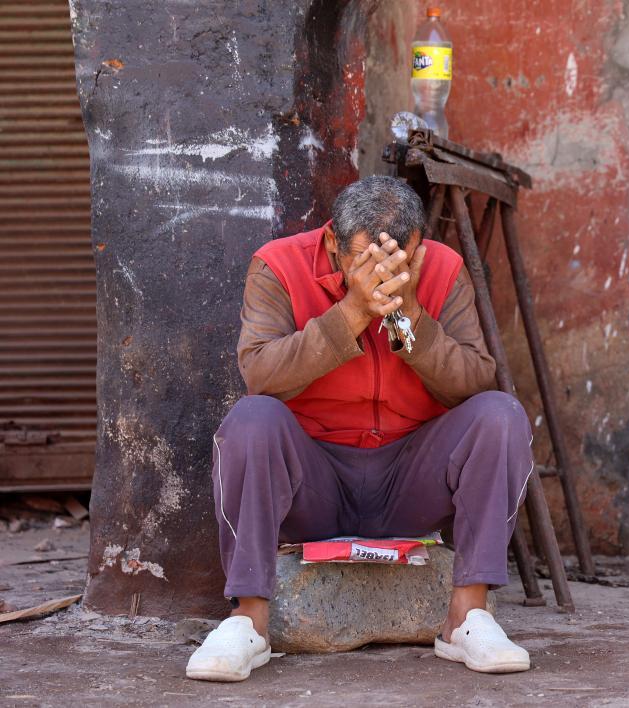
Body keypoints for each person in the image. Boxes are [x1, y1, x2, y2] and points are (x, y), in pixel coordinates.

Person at [186, 176, 533, 681]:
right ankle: (249, 621)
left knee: (501, 414)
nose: (381, 274)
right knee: (251, 418)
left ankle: (466, 617)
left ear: (418, 246)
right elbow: (260, 374)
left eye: (397, 261)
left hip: (410, 481)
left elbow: (473, 381)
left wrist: (408, 315)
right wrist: (352, 312)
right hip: (314, 483)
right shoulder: (278, 266)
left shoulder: (442, 268)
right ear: (333, 242)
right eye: (363, 261)